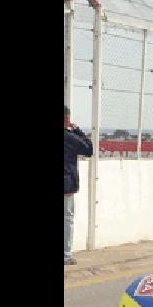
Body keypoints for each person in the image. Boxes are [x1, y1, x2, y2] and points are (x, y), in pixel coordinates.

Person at [64, 106, 94, 265]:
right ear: (67, 119)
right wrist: (77, 131)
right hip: (67, 186)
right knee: (67, 219)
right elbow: (89, 149)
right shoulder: (70, 137)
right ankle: (66, 255)